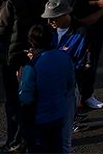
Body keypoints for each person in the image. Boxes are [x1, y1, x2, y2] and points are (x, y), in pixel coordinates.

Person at [18, 23, 75, 154]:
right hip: (58, 114)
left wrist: (20, 80)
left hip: (38, 118)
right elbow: (70, 84)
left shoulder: (32, 65)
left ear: (31, 42)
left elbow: (25, 97)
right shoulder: (65, 57)